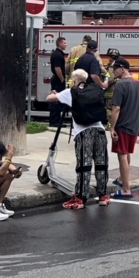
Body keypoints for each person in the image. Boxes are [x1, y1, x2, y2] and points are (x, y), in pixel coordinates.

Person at [46, 69, 110, 209]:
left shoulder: (71, 91)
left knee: (84, 165)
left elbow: (49, 99)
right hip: (100, 130)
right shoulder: (95, 89)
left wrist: (55, 94)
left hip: (83, 131)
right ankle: (103, 195)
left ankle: (80, 198)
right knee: (101, 163)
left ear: (74, 80)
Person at [109, 58, 139, 199]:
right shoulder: (138, 83)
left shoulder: (120, 85)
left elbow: (116, 108)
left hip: (123, 124)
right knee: (127, 152)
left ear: (122, 69)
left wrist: (112, 128)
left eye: (115, 69)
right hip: (134, 124)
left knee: (121, 155)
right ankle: (123, 179)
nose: (113, 71)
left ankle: (126, 189)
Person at [48, 37, 68, 127]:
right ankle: (55, 121)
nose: (66, 44)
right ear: (59, 44)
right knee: (57, 100)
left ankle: (56, 120)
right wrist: (62, 78)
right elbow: (57, 68)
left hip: (56, 79)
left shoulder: (57, 53)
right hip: (57, 80)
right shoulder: (58, 55)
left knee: (58, 100)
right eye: (64, 43)